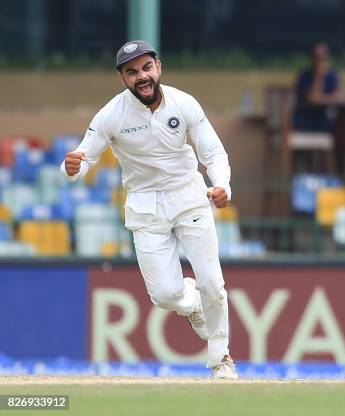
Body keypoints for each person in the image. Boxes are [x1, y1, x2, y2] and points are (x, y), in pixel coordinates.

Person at [61, 40, 237, 379]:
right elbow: (83, 158)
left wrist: (222, 185)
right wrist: (72, 169)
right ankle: (191, 303)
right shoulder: (111, 114)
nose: (141, 77)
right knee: (166, 296)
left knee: (213, 282)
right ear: (122, 78)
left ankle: (221, 360)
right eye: (131, 72)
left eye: (146, 68)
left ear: (158, 67)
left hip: (188, 197)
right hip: (145, 205)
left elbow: (214, 154)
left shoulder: (184, 103)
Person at [293, 42, 341, 132]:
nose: (320, 62)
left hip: (324, 119)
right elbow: (312, 99)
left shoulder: (332, 76)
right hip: (305, 120)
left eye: (323, 58)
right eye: (317, 58)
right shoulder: (304, 77)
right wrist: (319, 77)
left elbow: (336, 98)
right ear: (312, 59)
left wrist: (322, 99)